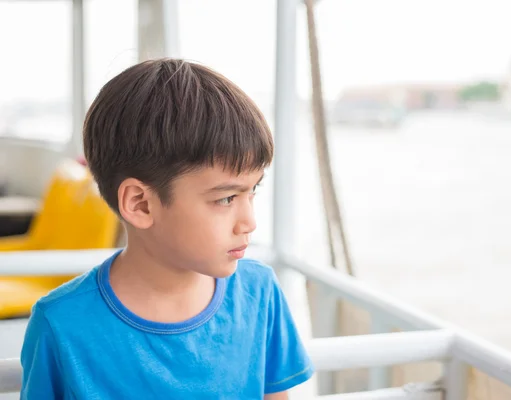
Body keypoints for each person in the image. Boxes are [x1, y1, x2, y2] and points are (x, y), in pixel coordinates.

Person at [20, 58, 314, 399]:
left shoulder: (259, 293)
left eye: (253, 191)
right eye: (226, 199)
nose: (250, 222)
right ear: (141, 204)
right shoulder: (61, 324)